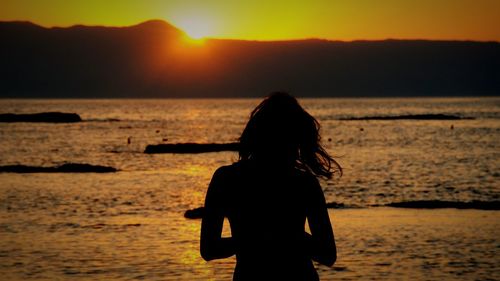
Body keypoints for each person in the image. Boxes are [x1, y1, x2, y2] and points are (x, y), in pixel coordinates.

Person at [200, 92, 341, 281]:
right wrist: (282, 237)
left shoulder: (226, 178)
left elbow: (209, 249)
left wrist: (273, 237)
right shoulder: (304, 183)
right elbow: (327, 254)